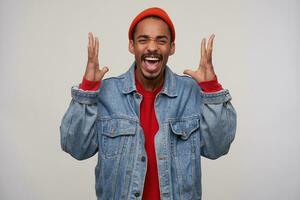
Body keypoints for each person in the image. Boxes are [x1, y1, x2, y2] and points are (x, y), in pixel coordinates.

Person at [60, 7, 236, 200]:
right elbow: (76, 148)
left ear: (172, 47)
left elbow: (217, 148)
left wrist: (210, 88)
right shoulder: (106, 93)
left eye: (161, 40)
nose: (152, 47)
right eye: (143, 40)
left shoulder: (191, 92)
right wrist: (88, 89)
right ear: (131, 46)